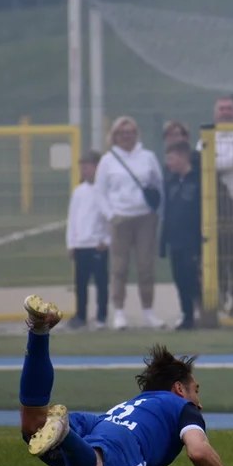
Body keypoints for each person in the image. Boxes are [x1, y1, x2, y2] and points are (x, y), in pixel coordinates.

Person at [17, 294, 233, 466]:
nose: (199, 402)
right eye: (196, 390)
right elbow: (199, 452)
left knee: (34, 424)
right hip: (125, 439)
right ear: (179, 389)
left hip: (100, 423)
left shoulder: (140, 404)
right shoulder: (182, 408)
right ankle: (65, 432)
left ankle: (40, 330)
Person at [94, 116, 164, 331]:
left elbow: (158, 185)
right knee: (119, 267)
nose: (127, 136)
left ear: (136, 134)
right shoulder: (108, 160)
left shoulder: (148, 157)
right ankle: (120, 313)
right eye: (122, 133)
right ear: (115, 136)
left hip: (144, 218)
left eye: (131, 132)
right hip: (121, 218)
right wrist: (111, 215)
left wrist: (157, 213)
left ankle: (148, 312)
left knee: (145, 266)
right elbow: (100, 191)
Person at [198, 95, 233, 318]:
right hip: (209, 204)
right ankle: (216, 299)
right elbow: (199, 160)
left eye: (229, 108)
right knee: (212, 255)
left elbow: (228, 163)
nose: (225, 112)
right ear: (215, 112)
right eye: (221, 108)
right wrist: (212, 161)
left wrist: (211, 160)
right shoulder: (206, 136)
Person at [160, 140, 202, 330]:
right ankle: (187, 316)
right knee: (180, 278)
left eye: (172, 158)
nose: (169, 163)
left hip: (192, 240)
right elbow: (167, 212)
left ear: (184, 157)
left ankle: (203, 312)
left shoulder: (198, 179)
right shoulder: (170, 181)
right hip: (175, 240)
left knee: (193, 277)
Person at [66, 150, 110, 330]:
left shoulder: (104, 191)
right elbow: (73, 218)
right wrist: (71, 243)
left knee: (101, 282)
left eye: (87, 166)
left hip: (98, 245)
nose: (84, 170)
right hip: (81, 244)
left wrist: (107, 240)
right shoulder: (78, 192)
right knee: (80, 283)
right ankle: (81, 315)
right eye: (81, 167)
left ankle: (101, 316)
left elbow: (110, 218)